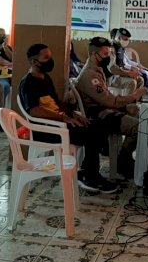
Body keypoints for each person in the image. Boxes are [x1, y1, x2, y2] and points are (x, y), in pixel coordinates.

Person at [19, 44, 118, 193]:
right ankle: (90, 177)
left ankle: (87, 171)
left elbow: (57, 102)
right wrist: (64, 118)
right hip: (47, 129)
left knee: (98, 125)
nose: (50, 60)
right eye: (46, 58)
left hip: (59, 123)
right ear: (34, 62)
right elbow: (34, 111)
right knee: (91, 134)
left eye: (50, 56)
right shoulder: (28, 83)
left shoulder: (45, 78)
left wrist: (74, 115)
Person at [76, 37, 146, 178]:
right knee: (138, 127)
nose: (108, 57)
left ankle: (133, 161)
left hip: (105, 109)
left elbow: (107, 99)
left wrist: (126, 107)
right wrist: (133, 97)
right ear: (94, 55)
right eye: (105, 54)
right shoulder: (90, 74)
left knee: (140, 115)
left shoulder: (97, 69)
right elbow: (109, 101)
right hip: (99, 115)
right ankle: (122, 162)